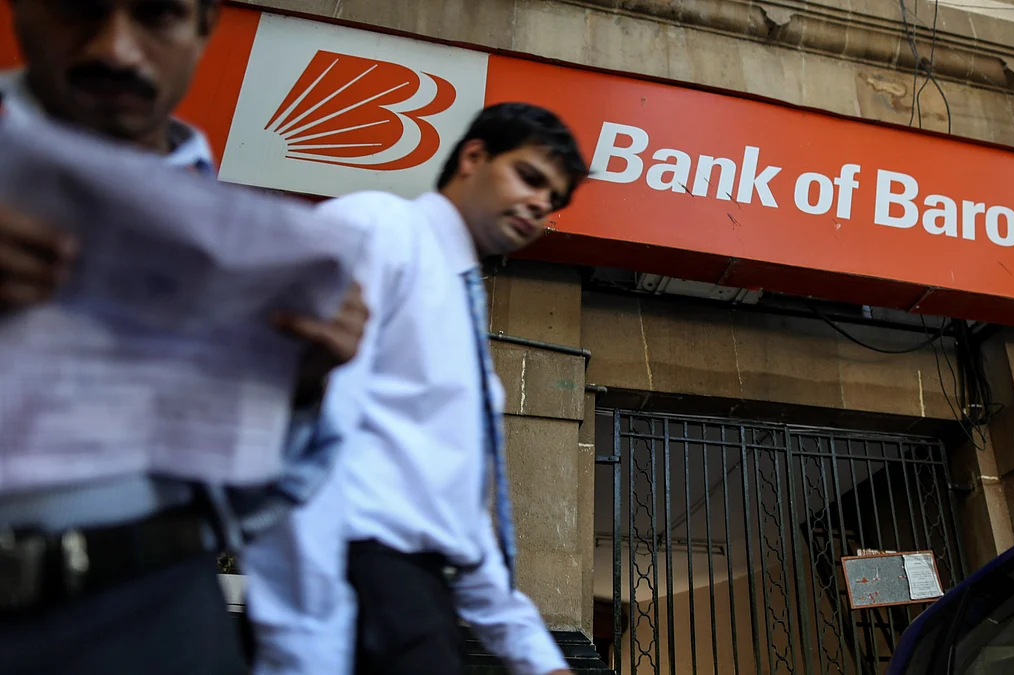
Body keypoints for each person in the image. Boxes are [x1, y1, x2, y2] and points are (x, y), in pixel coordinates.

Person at [0, 1, 367, 673]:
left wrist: (300, 386)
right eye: (79, 9)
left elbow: (253, 510)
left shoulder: (248, 243)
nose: (116, 49)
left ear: (203, 30)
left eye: (156, 14)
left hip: (167, 620)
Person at [243, 103, 589, 675]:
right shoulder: (380, 226)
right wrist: (302, 645)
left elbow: (453, 508)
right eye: (530, 177)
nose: (540, 205)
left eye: (554, 200)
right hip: (351, 587)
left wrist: (537, 657)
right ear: (473, 157)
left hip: (418, 603)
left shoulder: (460, 297)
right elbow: (304, 442)